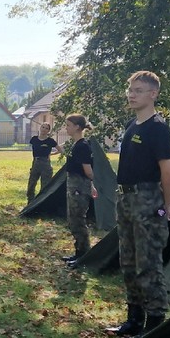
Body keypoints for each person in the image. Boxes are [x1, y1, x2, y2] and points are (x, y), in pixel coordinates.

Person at [108, 72, 170, 338]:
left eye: (138, 90)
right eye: (130, 90)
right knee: (128, 260)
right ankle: (133, 319)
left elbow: (169, 173)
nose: (131, 94)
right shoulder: (132, 124)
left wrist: (165, 205)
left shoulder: (157, 128)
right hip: (125, 198)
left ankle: (154, 325)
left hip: (147, 198)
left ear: (153, 94)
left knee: (147, 262)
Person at [62, 114, 95, 266]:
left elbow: (88, 171)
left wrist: (91, 185)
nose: (66, 128)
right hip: (75, 186)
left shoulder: (82, 146)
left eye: (68, 125)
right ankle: (78, 252)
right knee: (73, 220)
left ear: (77, 127)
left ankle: (84, 255)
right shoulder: (77, 144)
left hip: (79, 188)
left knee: (78, 220)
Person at [26, 121, 59, 200]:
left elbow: (60, 150)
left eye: (46, 128)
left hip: (45, 164)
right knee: (31, 184)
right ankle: (30, 202)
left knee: (45, 186)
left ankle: (42, 203)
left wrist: (51, 154)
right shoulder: (34, 139)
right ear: (40, 128)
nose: (44, 129)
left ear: (48, 131)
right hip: (35, 162)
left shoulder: (50, 141)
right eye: (43, 127)